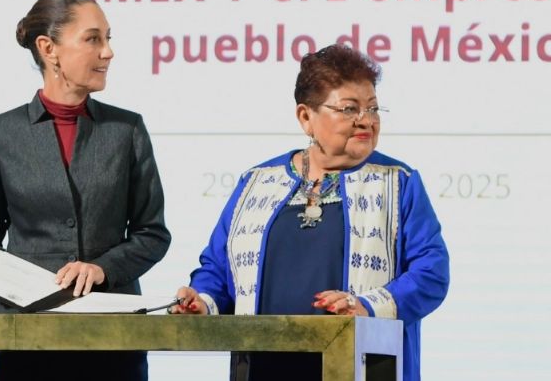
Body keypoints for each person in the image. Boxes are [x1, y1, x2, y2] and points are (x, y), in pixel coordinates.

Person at [171, 44, 449, 381]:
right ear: (306, 117)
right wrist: (201, 302)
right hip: (264, 368)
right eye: (349, 109)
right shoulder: (257, 182)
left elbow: (431, 274)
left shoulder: (399, 182)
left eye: (373, 109)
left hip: (361, 368)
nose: (366, 121)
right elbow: (217, 270)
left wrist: (366, 306)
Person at [0, 0, 171, 381]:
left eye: (108, 38)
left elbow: (152, 234)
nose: (108, 52)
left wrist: (104, 269)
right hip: (28, 335)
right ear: (48, 48)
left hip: (113, 337)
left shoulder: (127, 130)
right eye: (93, 39)